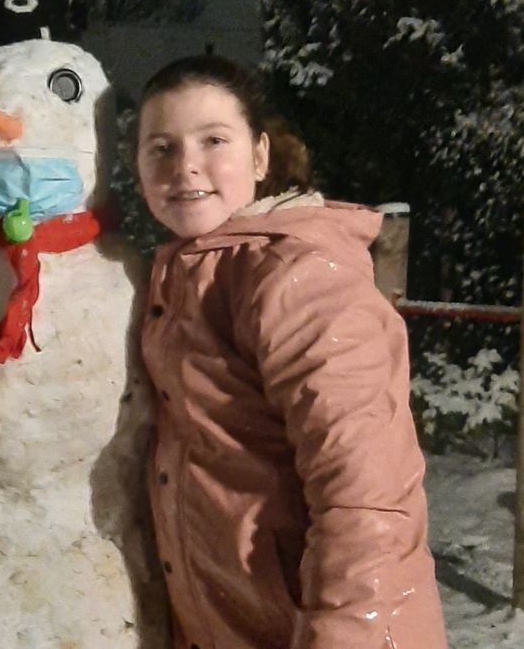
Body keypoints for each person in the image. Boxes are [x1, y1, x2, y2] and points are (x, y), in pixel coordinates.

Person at [134, 54, 447, 649]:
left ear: (259, 155)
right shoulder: (186, 274)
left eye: (213, 140)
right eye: (162, 148)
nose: (186, 168)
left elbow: (365, 488)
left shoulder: (295, 273)